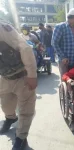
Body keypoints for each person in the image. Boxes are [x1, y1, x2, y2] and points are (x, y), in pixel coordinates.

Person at [0, 20, 37, 149]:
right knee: (6, 105)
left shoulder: (3, 28)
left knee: (26, 110)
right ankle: (10, 118)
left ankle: (21, 137)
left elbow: (25, 49)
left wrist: (32, 75)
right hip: (4, 77)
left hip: (22, 76)